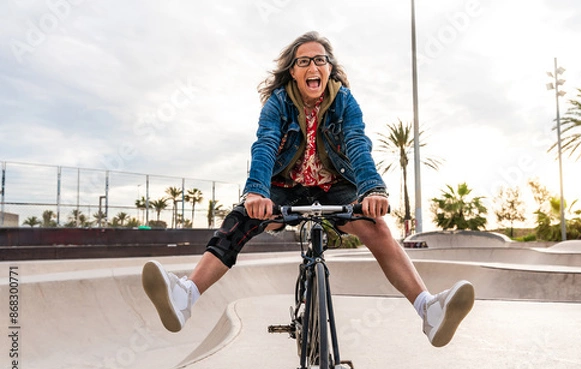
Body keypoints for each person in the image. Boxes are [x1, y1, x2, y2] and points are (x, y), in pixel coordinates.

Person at [142, 31, 474, 348]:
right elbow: (267, 143)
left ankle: (428, 309)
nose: (313, 67)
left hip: (334, 187)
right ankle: (185, 295)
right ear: (292, 72)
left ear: (330, 68)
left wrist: (373, 188)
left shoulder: (344, 102)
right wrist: (256, 192)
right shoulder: (278, 103)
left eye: (320, 60)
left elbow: (357, 142)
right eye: (303, 62)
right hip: (285, 186)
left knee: (378, 228)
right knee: (239, 221)